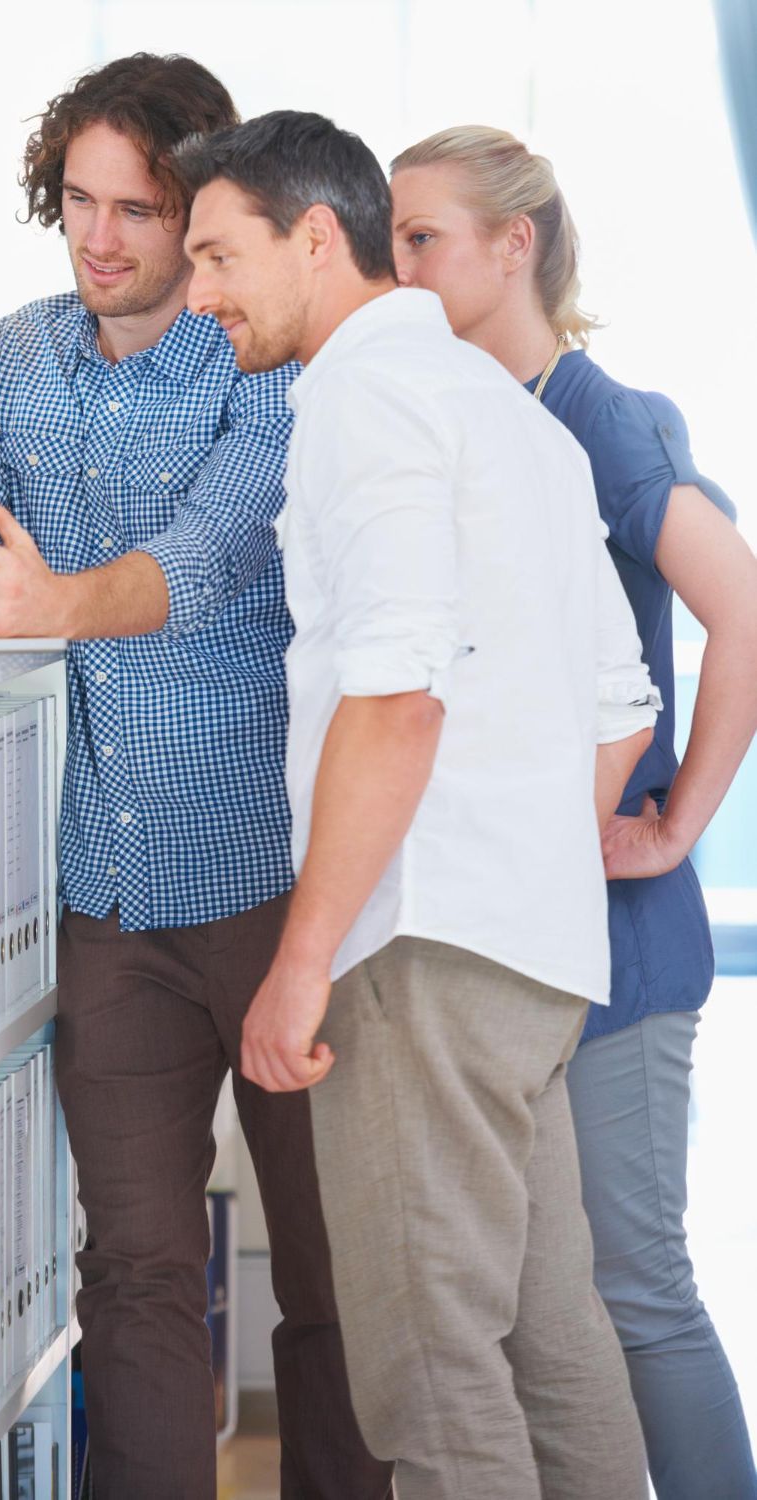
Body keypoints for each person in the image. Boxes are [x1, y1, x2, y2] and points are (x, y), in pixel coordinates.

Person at [0, 54, 393, 1500]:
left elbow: (218, 554)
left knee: (335, 1277)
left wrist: (54, 601)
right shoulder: (17, 356)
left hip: (278, 889)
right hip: (102, 888)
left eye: (140, 210)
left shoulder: (263, 353)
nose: (101, 239)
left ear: (201, 212)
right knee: (139, 1273)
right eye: (79, 204)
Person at [176, 109, 659, 1500]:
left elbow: (395, 695)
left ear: (315, 239)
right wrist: (516, 860)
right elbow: (619, 711)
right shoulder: (503, 413)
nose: (199, 295)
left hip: (423, 952)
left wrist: (306, 956)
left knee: (433, 1374)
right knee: (549, 1346)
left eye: (218, 255)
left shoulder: (357, 398)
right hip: (533, 956)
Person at [389, 125, 757, 1500]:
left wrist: (668, 828)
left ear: (513, 244)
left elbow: (744, 610)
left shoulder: (593, 417)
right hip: (514, 924)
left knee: (633, 1286)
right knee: (545, 1306)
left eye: (421, 237)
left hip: (615, 931)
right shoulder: (461, 416)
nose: (400, 267)